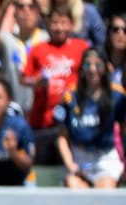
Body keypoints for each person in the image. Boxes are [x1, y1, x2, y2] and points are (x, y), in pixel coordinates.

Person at [21, 6, 89, 164]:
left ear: (71, 25)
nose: (59, 27)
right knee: (40, 170)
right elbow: (23, 79)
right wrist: (37, 81)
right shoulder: (38, 49)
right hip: (42, 121)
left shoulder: (81, 47)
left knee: (68, 170)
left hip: (71, 123)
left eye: (64, 23)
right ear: (47, 25)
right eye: (55, 23)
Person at [53, 48, 126, 188]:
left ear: (105, 67)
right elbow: (62, 137)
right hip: (79, 158)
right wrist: (70, 164)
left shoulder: (117, 96)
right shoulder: (70, 97)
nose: (92, 70)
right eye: (87, 65)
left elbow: (124, 131)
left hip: (105, 159)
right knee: (74, 186)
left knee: (106, 190)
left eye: (98, 65)